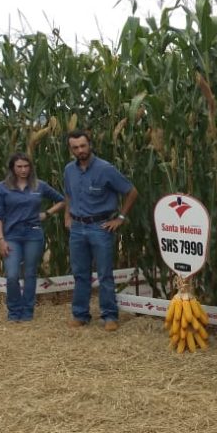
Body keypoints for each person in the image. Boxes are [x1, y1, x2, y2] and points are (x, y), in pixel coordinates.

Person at [63, 129, 138, 331]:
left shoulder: (106, 169)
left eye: (83, 146)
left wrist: (120, 218)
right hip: (77, 228)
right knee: (80, 274)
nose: (80, 150)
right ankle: (80, 314)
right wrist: (67, 216)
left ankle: (109, 316)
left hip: (100, 227)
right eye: (75, 147)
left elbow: (131, 191)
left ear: (90, 145)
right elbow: (68, 194)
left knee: (105, 274)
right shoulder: (69, 170)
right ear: (71, 149)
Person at [0, 153, 66, 322]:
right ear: (12, 168)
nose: (23, 170)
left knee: (30, 273)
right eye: (19, 166)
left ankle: (27, 312)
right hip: (11, 235)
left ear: (31, 167)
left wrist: (47, 214)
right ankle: (14, 312)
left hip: (33, 234)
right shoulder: (1, 188)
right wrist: (0, 239)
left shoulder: (39, 186)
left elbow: (62, 200)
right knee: (12, 275)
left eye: (26, 166)